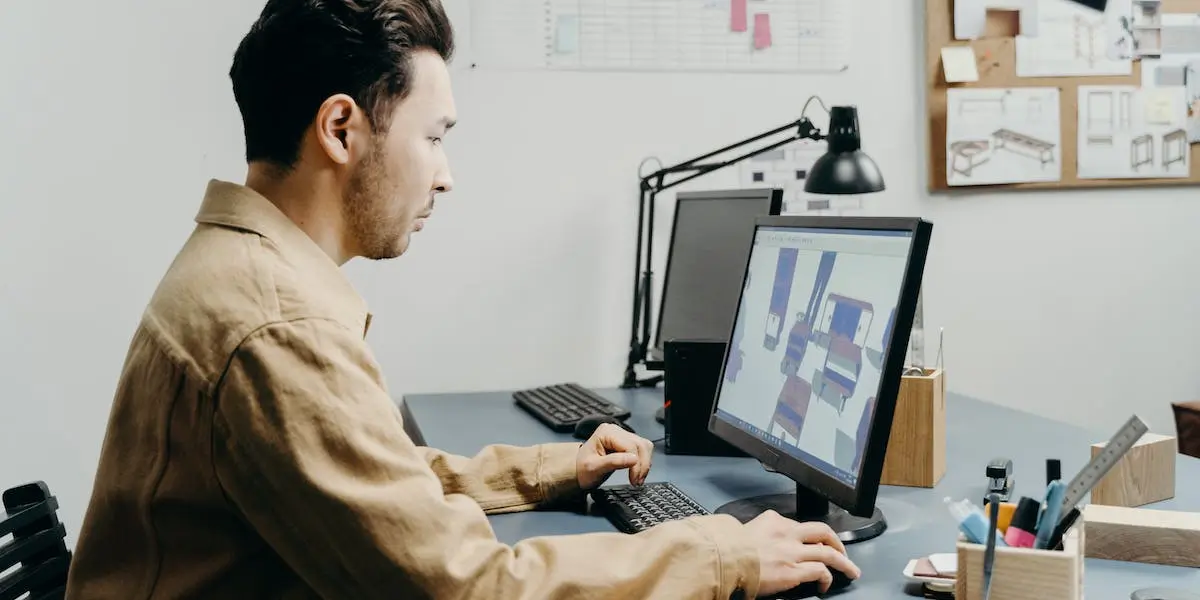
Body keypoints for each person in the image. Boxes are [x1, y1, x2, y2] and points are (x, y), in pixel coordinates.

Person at [64, 1, 861, 598]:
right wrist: (721, 554)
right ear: (341, 129)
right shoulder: (276, 324)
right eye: (435, 136)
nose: (446, 174)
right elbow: (469, 589)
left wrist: (551, 468)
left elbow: (375, 483)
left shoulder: (242, 270)